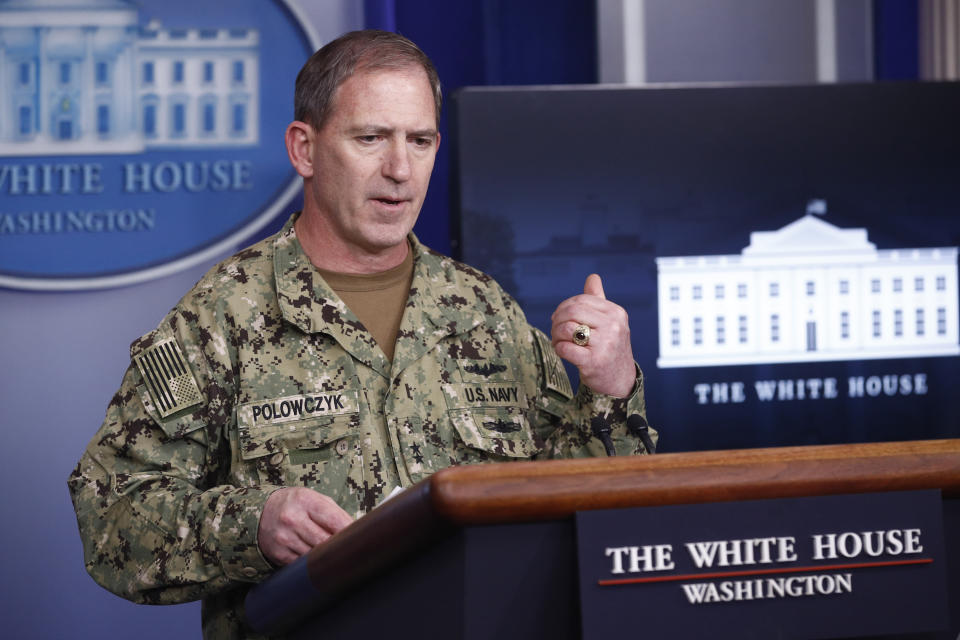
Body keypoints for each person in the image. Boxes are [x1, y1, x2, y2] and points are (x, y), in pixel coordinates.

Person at [69, 29, 656, 639]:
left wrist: (611, 390)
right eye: (370, 138)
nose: (400, 170)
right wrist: (254, 524)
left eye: (420, 140)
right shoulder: (223, 315)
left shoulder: (482, 309)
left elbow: (573, 504)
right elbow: (111, 513)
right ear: (305, 149)